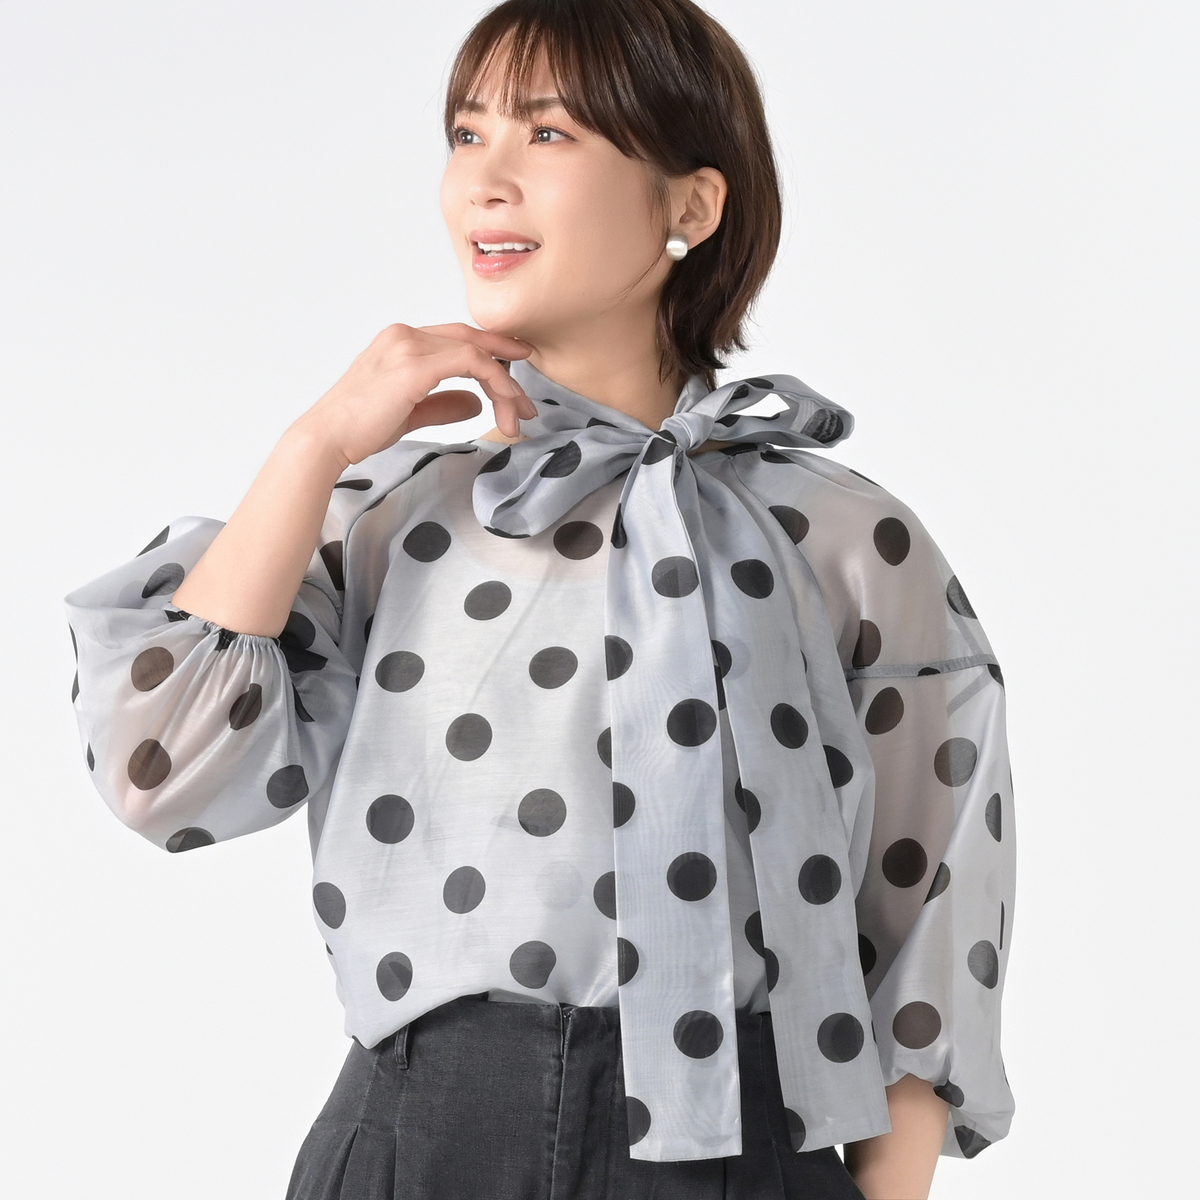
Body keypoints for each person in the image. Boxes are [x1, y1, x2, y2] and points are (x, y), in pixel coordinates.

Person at [63, 2, 1016, 1197]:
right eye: (467, 134)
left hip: (742, 1150)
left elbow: (932, 916)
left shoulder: (842, 537)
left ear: (690, 206)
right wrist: (314, 445)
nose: (486, 179)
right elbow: (159, 773)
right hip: (420, 1145)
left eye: (549, 133)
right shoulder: (381, 516)